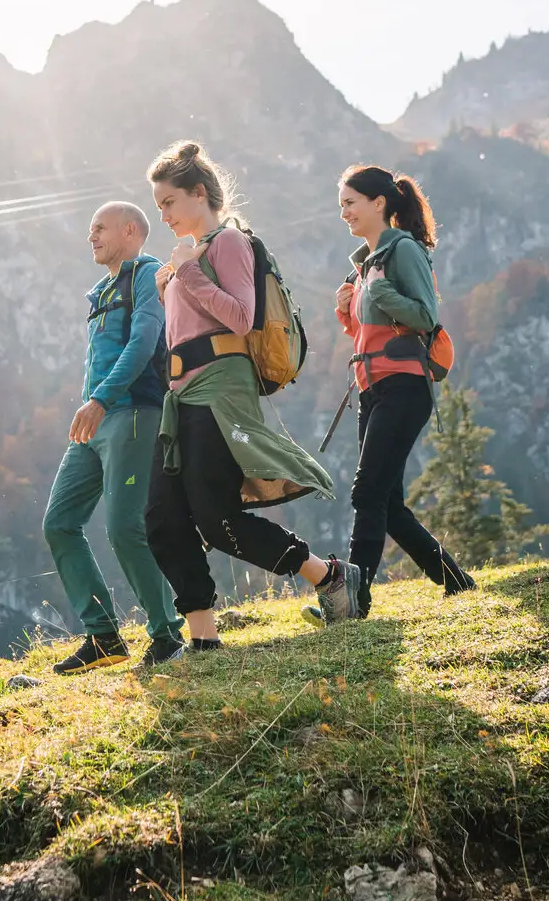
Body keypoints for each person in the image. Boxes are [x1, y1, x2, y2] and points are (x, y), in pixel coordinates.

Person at [143, 140, 359, 646]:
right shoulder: (188, 256)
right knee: (162, 517)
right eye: (159, 207)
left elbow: (243, 317)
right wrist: (169, 284)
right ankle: (204, 639)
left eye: (169, 203)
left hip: (221, 393)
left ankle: (329, 577)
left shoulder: (228, 244)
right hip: (183, 398)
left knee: (217, 521)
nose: (165, 215)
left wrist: (188, 272)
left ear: (199, 193)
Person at [47, 201, 189, 674]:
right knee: (60, 522)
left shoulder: (148, 275)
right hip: (94, 419)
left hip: (130, 414)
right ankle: (104, 634)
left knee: (124, 527)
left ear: (130, 231)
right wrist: (92, 401)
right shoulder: (101, 291)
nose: (91, 236)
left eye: (99, 228)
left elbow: (144, 340)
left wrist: (100, 399)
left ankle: (166, 634)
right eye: (90, 230)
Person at [331, 164, 474, 617]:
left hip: (404, 385)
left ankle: (354, 599)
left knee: (367, 493)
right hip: (371, 387)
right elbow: (368, 328)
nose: (345, 214)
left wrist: (380, 289)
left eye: (351, 203)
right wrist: (347, 310)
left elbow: (424, 316)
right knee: (387, 503)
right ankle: (457, 582)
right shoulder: (367, 263)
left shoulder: (403, 251)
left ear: (379, 203)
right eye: (342, 206)